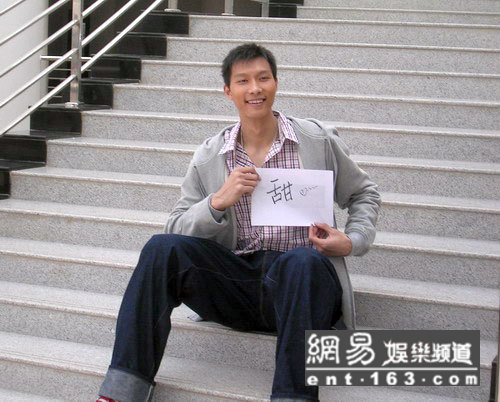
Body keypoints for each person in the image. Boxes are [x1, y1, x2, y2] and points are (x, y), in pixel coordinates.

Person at [96, 43, 381, 402]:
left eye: (263, 78)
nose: (255, 89)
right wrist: (217, 202)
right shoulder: (211, 154)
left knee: (302, 261)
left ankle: (292, 397)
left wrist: (351, 241)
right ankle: (123, 392)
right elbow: (176, 227)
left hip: (302, 285)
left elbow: (364, 194)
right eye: (243, 81)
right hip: (238, 283)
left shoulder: (316, 139)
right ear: (228, 91)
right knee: (160, 248)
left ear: (276, 83)